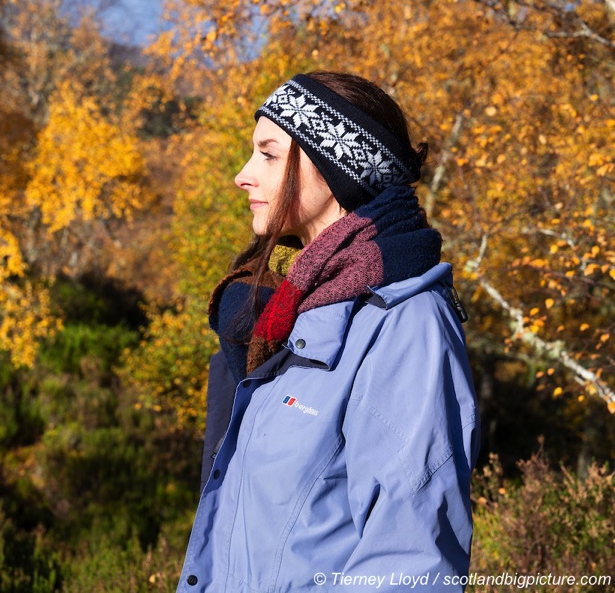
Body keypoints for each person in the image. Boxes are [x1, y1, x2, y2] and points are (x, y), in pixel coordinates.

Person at [177, 72, 479, 592]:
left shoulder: (405, 325)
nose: (242, 176)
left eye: (268, 155)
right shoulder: (298, 314)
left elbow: (408, 563)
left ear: (335, 165)